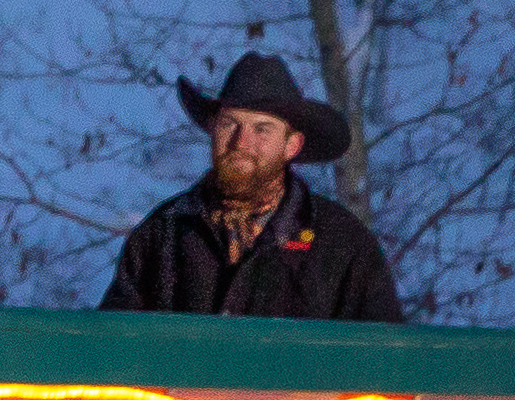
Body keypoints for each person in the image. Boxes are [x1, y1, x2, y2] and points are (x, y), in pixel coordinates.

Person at [97, 48, 405, 322]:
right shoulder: (159, 237)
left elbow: (388, 366)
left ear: (292, 145)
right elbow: (110, 358)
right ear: (213, 129)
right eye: (230, 123)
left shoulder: (343, 244)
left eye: (262, 129)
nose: (241, 142)